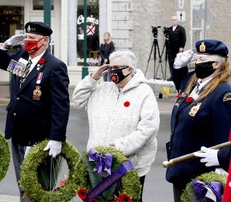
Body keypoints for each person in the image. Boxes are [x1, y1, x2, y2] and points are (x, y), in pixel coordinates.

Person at [0, 21, 70, 202]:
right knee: (22, 183)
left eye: (32, 38)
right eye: (26, 37)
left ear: (44, 41)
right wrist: (5, 45)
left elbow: (60, 105)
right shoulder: (22, 59)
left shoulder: (54, 66)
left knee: (37, 187)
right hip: (19, 131)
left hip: (39, 136)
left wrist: (57, 137)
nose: (28, 41)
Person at [72, 50, 160, 202]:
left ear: (129, 69)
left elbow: (148, 128)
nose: (113, 71)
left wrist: (118, 146)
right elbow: (78, 98)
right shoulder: (102, 89)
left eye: (117, 67)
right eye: (110, 67)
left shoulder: (144, 92)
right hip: (98, 165)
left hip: (128, 167)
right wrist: (94, 78)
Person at [165, 39, 231, 202]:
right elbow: (181, 84)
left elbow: (225, 136)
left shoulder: (223, 93)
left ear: (216, 64)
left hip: (201, 174)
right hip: (181, 168)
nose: (197, 63)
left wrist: (221, 159)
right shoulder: (192, 82)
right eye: (196, 59)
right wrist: (178, 67)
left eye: (202, 60)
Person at [168, 15, 187, 91]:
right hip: (170, 49)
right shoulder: (169, 29)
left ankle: (177, 76)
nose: (174, 21)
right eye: (172, 20)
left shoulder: (181, 29)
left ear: (177, 21)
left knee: (177, 62)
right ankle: (172, 75)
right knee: (171, 62)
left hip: (178, 48)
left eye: (175, 20)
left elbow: (184, 38)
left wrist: (182, 47)